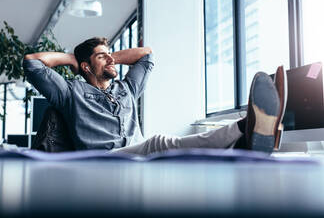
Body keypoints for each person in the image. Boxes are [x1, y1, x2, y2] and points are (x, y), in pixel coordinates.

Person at [23, 37, 286, 155]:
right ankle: (244, 127)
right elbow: (32, 63)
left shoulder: (126, 88)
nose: (112, 59)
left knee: (173, 155)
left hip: (137, 154)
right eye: (102, 56)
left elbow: (147, 55)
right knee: (158, 142)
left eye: (111, 54)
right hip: (104, 160)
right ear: (86, 67)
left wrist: (108, 56)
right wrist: (72, 59)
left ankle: (245, 142)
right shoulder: (71, 92)